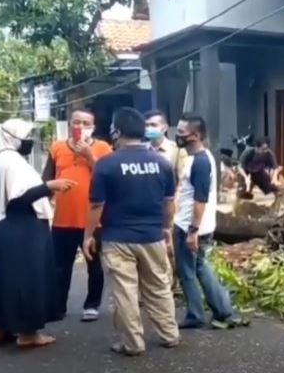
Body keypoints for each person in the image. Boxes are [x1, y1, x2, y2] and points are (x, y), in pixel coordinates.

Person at [83, 107, 179, 356]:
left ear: (117, 131)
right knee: (158, 286)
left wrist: (88, 236)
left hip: (118, 238)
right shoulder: (162, 163)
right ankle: (170, 334)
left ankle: (132, 343)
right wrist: (166, 228)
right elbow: (169, 202)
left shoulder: (106, 164)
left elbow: (96, 205)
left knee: (125, 291)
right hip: (152, 236)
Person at [0, 118, 76, 348]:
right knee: (29, 279)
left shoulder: (1, 159)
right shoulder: (12, 161)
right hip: (22, 224)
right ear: (11, 137)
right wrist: (50, 186)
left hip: (3, 226)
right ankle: (28, 333)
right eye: (25, 136)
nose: (28, 140)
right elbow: (20, 197)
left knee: (6, 279)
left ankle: (1, 329)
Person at [173, 113, 246, 330]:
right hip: (196, 225)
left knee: (187, 271)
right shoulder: (199, 159)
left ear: (195, 135)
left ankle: (196, 314)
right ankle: (222, 310)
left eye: (181, 133)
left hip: (191, 226)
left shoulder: (201, 162)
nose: (178, 136)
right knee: (201, 267)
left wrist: (192, 231)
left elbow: (200, 199)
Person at [42, 109, 112, 322]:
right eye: (76, 122)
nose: (80, 126)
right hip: (63, 220)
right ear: (69, 124)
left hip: (93, 221)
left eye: (86, 122)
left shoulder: (103, 148)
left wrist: (89, 157)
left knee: (95, 265)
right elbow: (47, 178)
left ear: (94, 126)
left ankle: (92, 305)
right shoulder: (57, 147)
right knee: (60, 266)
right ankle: (57, 306)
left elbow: (108, 178)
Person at [144, 109, 187, 178]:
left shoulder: (177, 150)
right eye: (146, 125)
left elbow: (182, 178)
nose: (148, 128)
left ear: (164, 128)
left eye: (153, 125)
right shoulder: (142, 149)